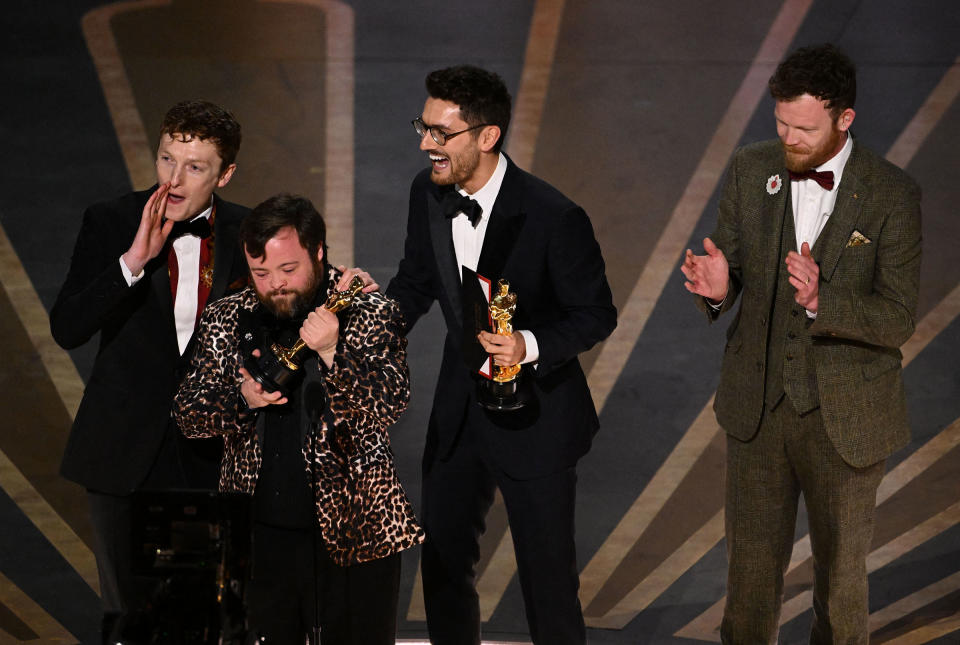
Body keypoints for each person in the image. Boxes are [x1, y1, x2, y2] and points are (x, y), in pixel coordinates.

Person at [681, 44, 921, 644]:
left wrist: (821, 302)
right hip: (757, 410)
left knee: (840, 586)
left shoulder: (892, 194)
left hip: (847, 418)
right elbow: (728, 263)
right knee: (750, 581)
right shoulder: (749, 168)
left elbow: (895, 318)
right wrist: (718, 288)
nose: (788, 137)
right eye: (781, 123)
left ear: (845, 119)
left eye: (804, 128)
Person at [386, 65, 617, 645]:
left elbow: (594, 315)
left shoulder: (553, 216)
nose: (425, 144)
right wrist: (369, 328)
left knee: (547, 582)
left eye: (442, 132)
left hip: (536, 416)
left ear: (487, 137)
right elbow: (417, 280)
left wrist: (528, 345)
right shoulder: (428, 193)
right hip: (458, 412)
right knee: (442, 566)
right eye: (424, 126)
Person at [174, 194, 423, 644]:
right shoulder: (228, 316)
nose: (275, 285)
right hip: (257, 538)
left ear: (319, 251)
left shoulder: (368, 311)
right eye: (261, 273)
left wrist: (332, 354)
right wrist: (242, 399)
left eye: (288, 270)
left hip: (357, 531)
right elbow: (189, 414)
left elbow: (390, 403)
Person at [50, 100, 249, 642]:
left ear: (224, 173)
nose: (175, 179)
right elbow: (68, 327)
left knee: (205, 619)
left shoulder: (250, 231)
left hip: (210, 455)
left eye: (195, 167)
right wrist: (132, 262)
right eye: (167, 160)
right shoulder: (111, 220)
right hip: (122, 452)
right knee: (129, 621)